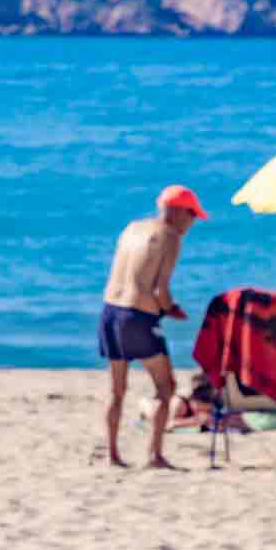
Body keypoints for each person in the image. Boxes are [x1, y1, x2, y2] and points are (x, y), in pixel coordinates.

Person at [99, 184, 207, 469]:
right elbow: (159, 290)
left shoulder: (132, 227)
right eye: (192, 215)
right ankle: (154, 455)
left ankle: (112, 454)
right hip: (138, 318)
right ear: (180, 212)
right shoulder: (170, 236)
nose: (192, 223)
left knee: (117, 390)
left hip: (110, 312)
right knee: (165, 387)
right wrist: (172, 310)